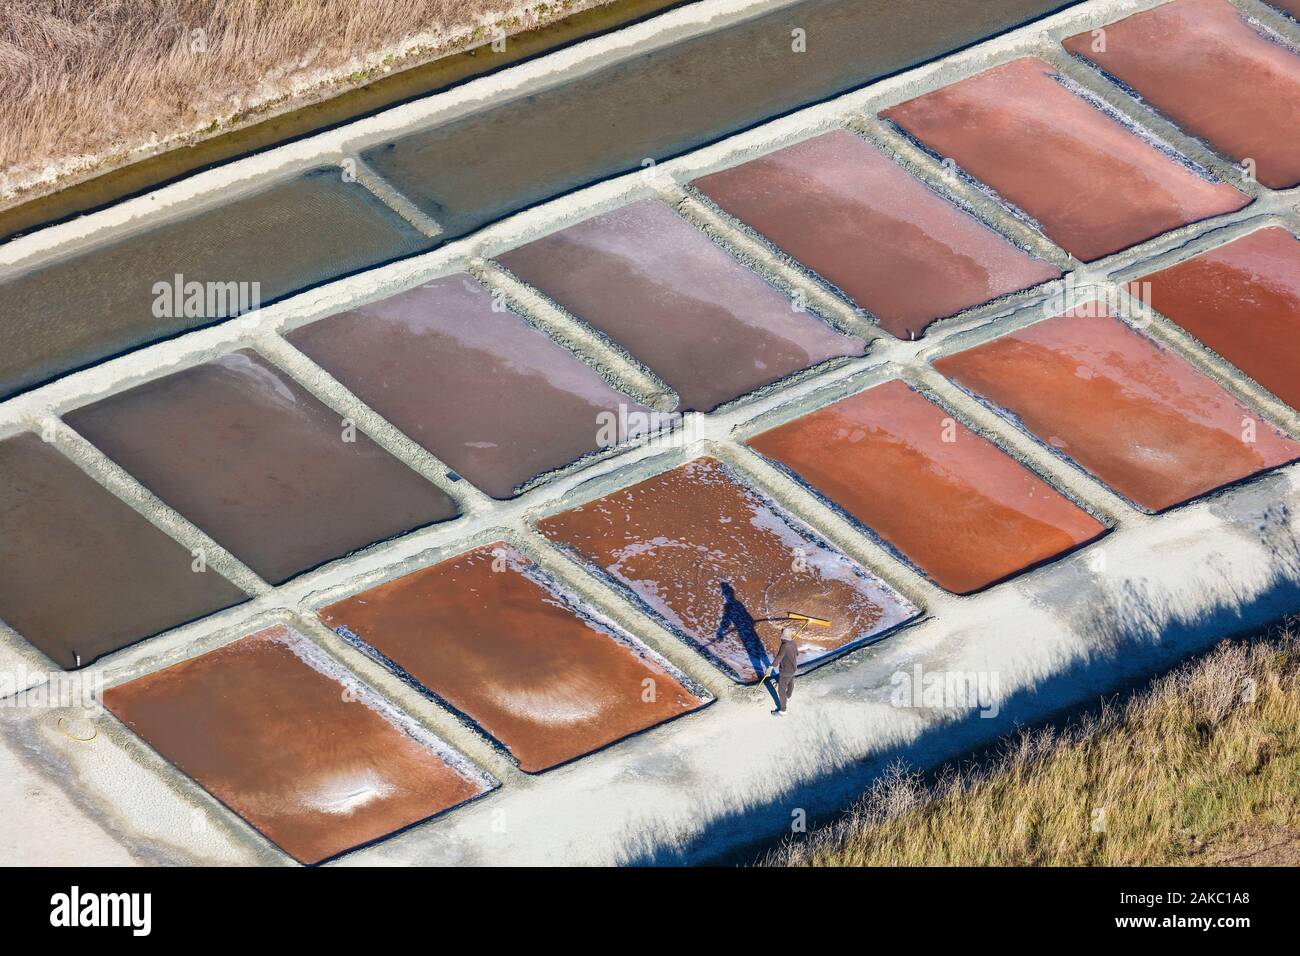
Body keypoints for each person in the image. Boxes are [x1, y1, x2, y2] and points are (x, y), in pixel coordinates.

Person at [770, 626, 799, 716]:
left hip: (785, 671)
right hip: (793, 669)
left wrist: (772, 666)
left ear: (782, 636)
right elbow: (797, 653)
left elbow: (779, 657)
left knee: (781, 690)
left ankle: (783, 710)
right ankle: (788, 696)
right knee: (790, 683)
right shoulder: (793, 643)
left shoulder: (784, 646)